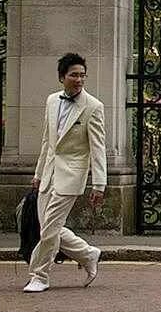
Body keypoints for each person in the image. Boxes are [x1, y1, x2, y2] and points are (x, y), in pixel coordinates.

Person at [23, 52, 105, 293]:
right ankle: (88, 254)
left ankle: (39, 275)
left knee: (49, 229)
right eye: (74, 75)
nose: (79, 80)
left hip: (71, 176)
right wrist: (38, 173)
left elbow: (98, 149)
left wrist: (99, 185)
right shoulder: (51, 101)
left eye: (82, 75)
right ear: (62, 77)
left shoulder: (93, 107)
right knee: (49, 227)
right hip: (48, 174)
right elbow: (47, 143)